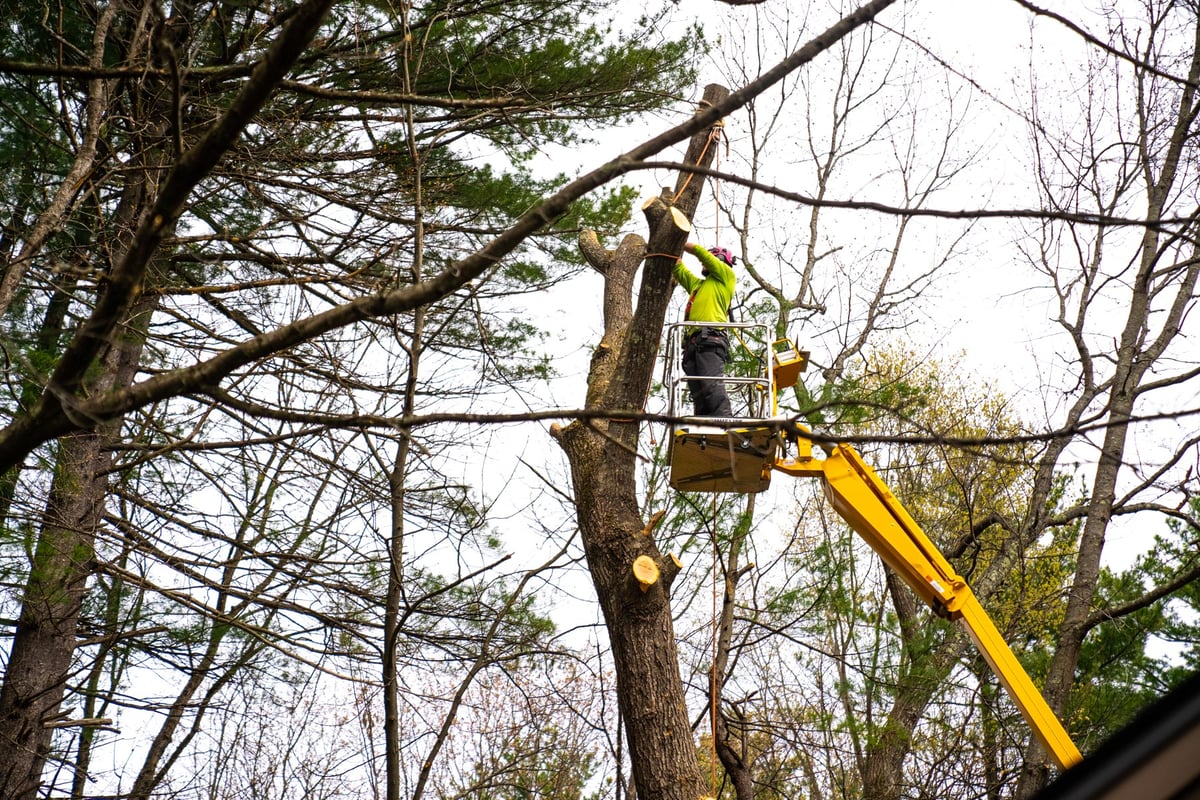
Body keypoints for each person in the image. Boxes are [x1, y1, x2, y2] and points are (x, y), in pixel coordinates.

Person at [673, 242, 736, 417]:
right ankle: (703, 422)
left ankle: (725, 421)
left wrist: (685, 243)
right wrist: (670, 250)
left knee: (711, 384)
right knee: (699, 392)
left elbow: (704, 256)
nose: (703, 264)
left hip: (711, 338)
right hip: (694, 343)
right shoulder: (698, 286)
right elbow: (680, 272)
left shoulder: (726, 277)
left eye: (708, 260)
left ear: (720, 260)